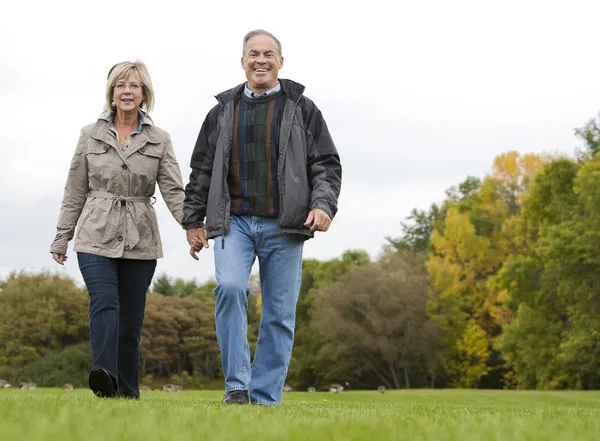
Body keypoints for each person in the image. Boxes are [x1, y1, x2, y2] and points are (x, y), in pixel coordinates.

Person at [183, 30, 342, 406]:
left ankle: (265, 396)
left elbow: (325, 164)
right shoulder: (222, 112)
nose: (261, 60)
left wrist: (323, 205)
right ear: (242, 61)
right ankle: (237, 387)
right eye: (253, 54)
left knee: (279, 313)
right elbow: (201, 169)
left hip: (285, 225)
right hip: (233, 222)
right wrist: (193, 221)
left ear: (280, 62)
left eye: (268, 54)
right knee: (232, 288)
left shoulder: (302, 108)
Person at [50, 61, 185, 399]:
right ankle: (104, 377)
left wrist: (193, 227)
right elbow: (75, 190)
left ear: (144, 94)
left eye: (134, 86)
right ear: (111, 93)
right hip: (95, 233)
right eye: (120, 85)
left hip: (141, 237)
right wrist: (62, 236)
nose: (127, 91)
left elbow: (173, 191)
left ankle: (128, 392)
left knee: (130, 321)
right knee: (105, 302)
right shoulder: (90, 135)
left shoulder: (160, 139)